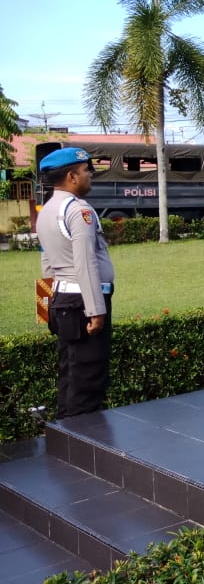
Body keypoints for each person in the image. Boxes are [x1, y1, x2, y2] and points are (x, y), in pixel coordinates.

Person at [38, 147, 115, 418]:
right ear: (72, 176)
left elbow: (46, 263)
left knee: (70, 373)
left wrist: (44, 307)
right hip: (83, 302)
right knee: (88, 379)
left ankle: (65, 444)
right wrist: (96, 310)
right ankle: (83, 450)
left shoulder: (47, 210)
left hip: (63, 301)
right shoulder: (78, 210)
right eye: (86, 171)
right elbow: (85, 263)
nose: (89, 176)